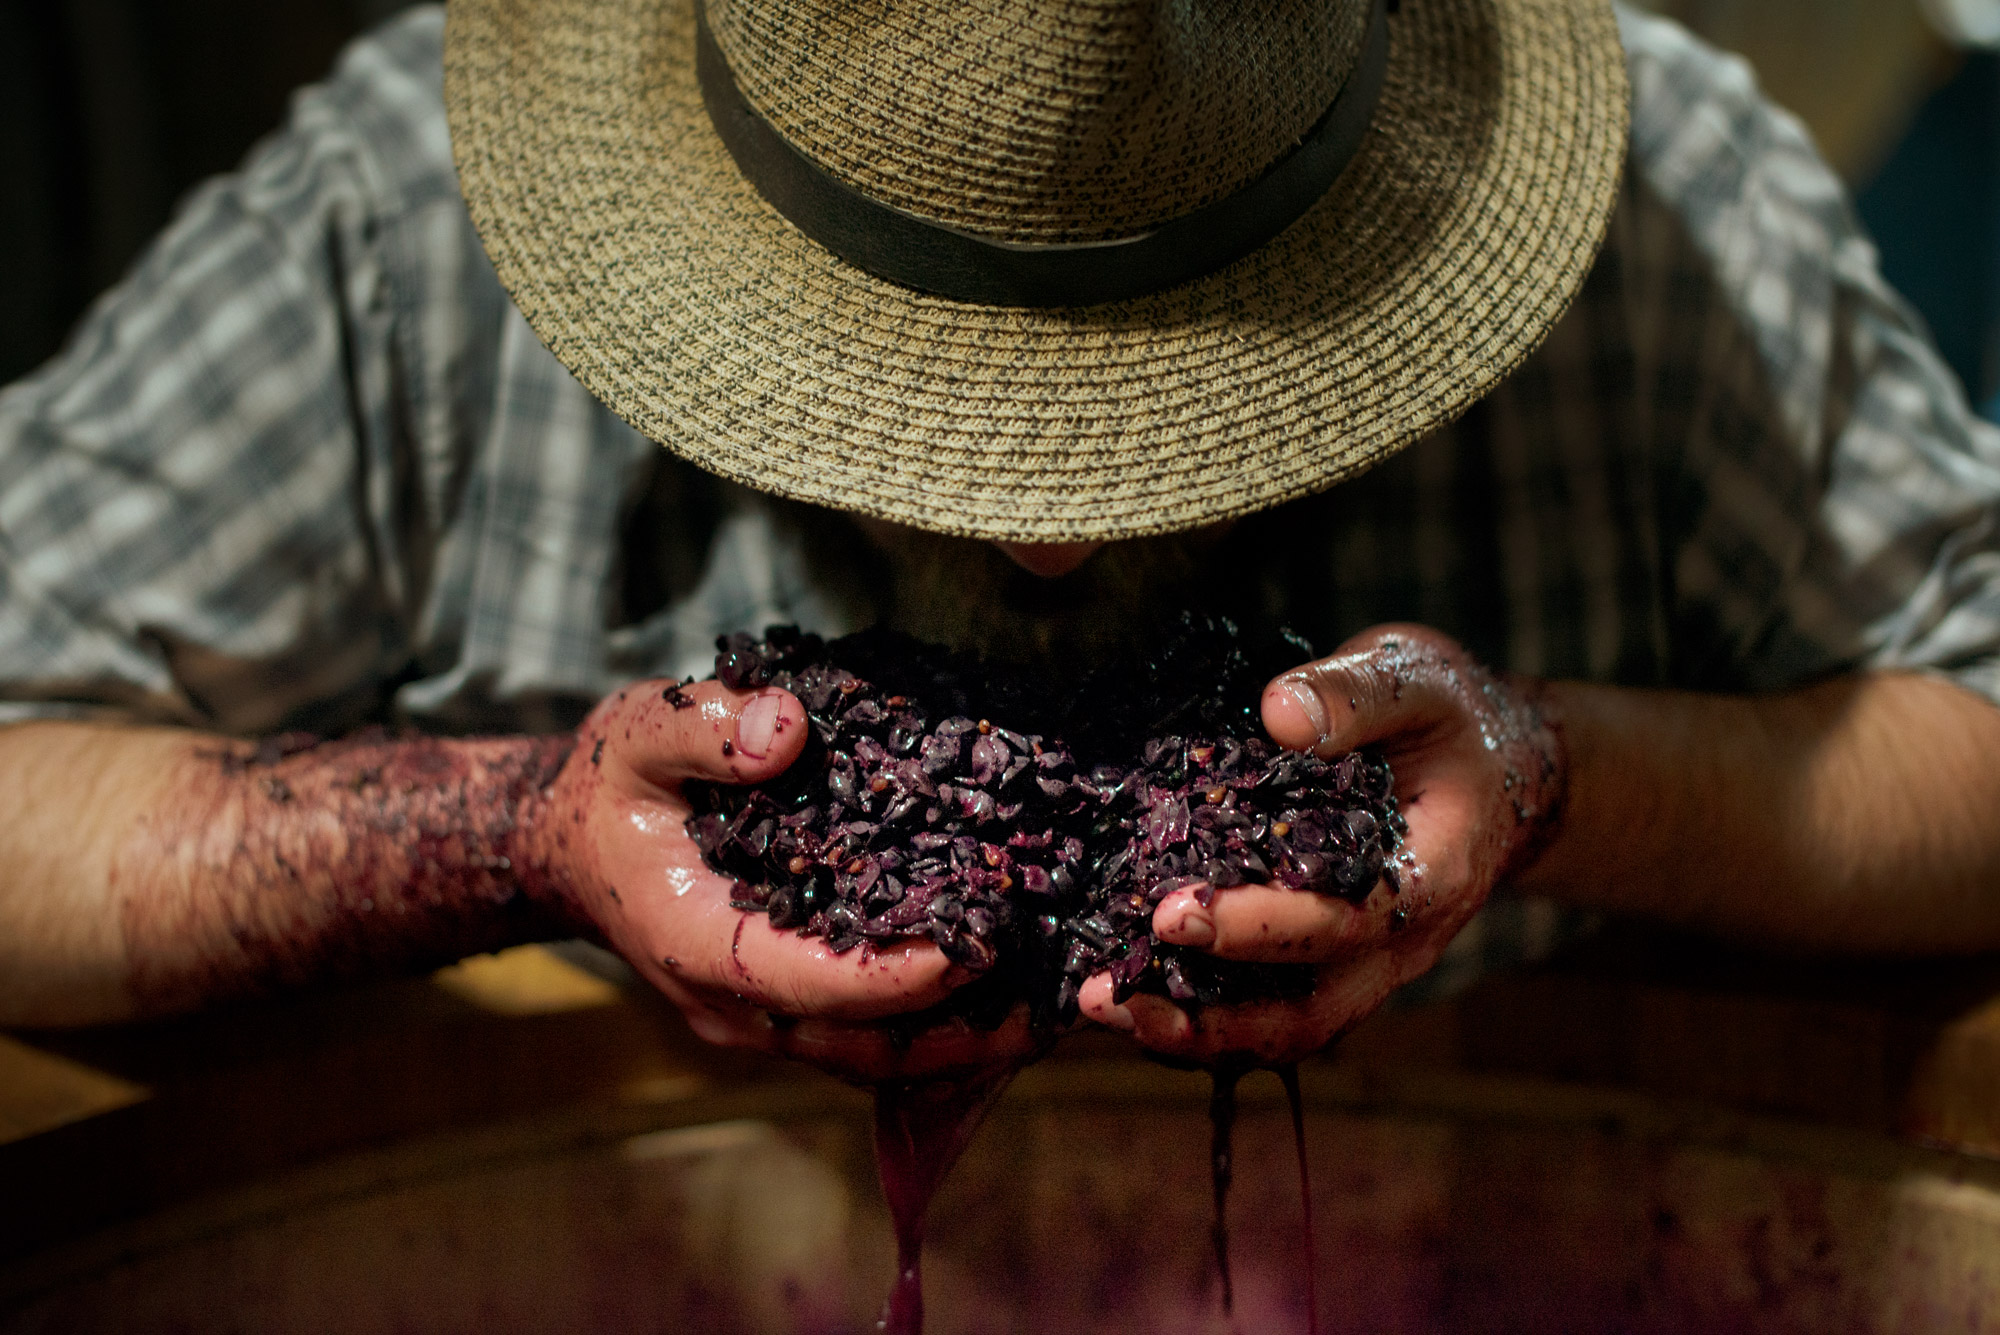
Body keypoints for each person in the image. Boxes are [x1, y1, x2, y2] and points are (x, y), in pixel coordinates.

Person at [3, 0, 2000, 1083]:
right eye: (940, 395)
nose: (1049, 544)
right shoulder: (410, 225)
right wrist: (509, 823)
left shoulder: (1672, 216)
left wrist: (1561, 780)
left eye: (1170, 388)